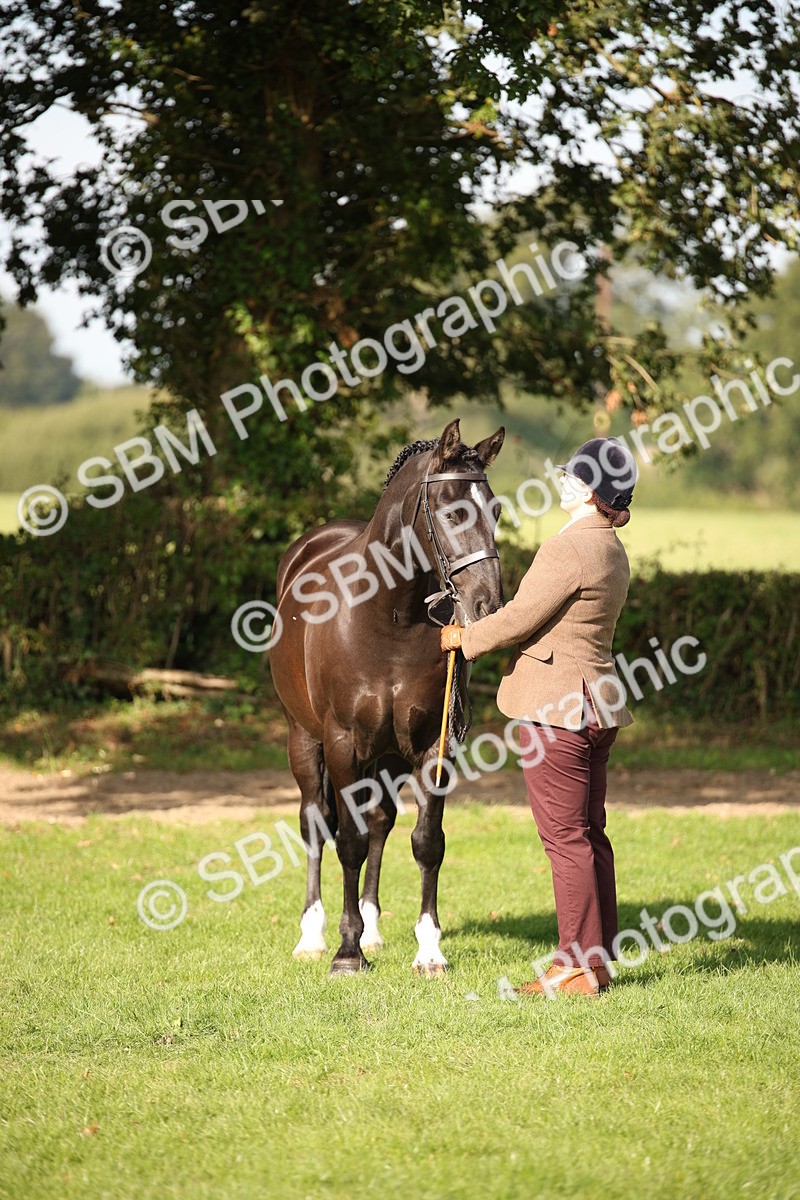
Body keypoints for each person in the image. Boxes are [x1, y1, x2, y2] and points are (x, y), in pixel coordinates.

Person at [440, 436, 637, 998]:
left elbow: (520, 618)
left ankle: (575, 967)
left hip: (558, 708)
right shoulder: (610, 546)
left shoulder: (568, 547)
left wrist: (463, 638)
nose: (563, 482)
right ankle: (595, 962)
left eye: (572, 476)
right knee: (591, 835)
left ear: (587, 489)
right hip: (596, 705)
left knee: (566, 840)